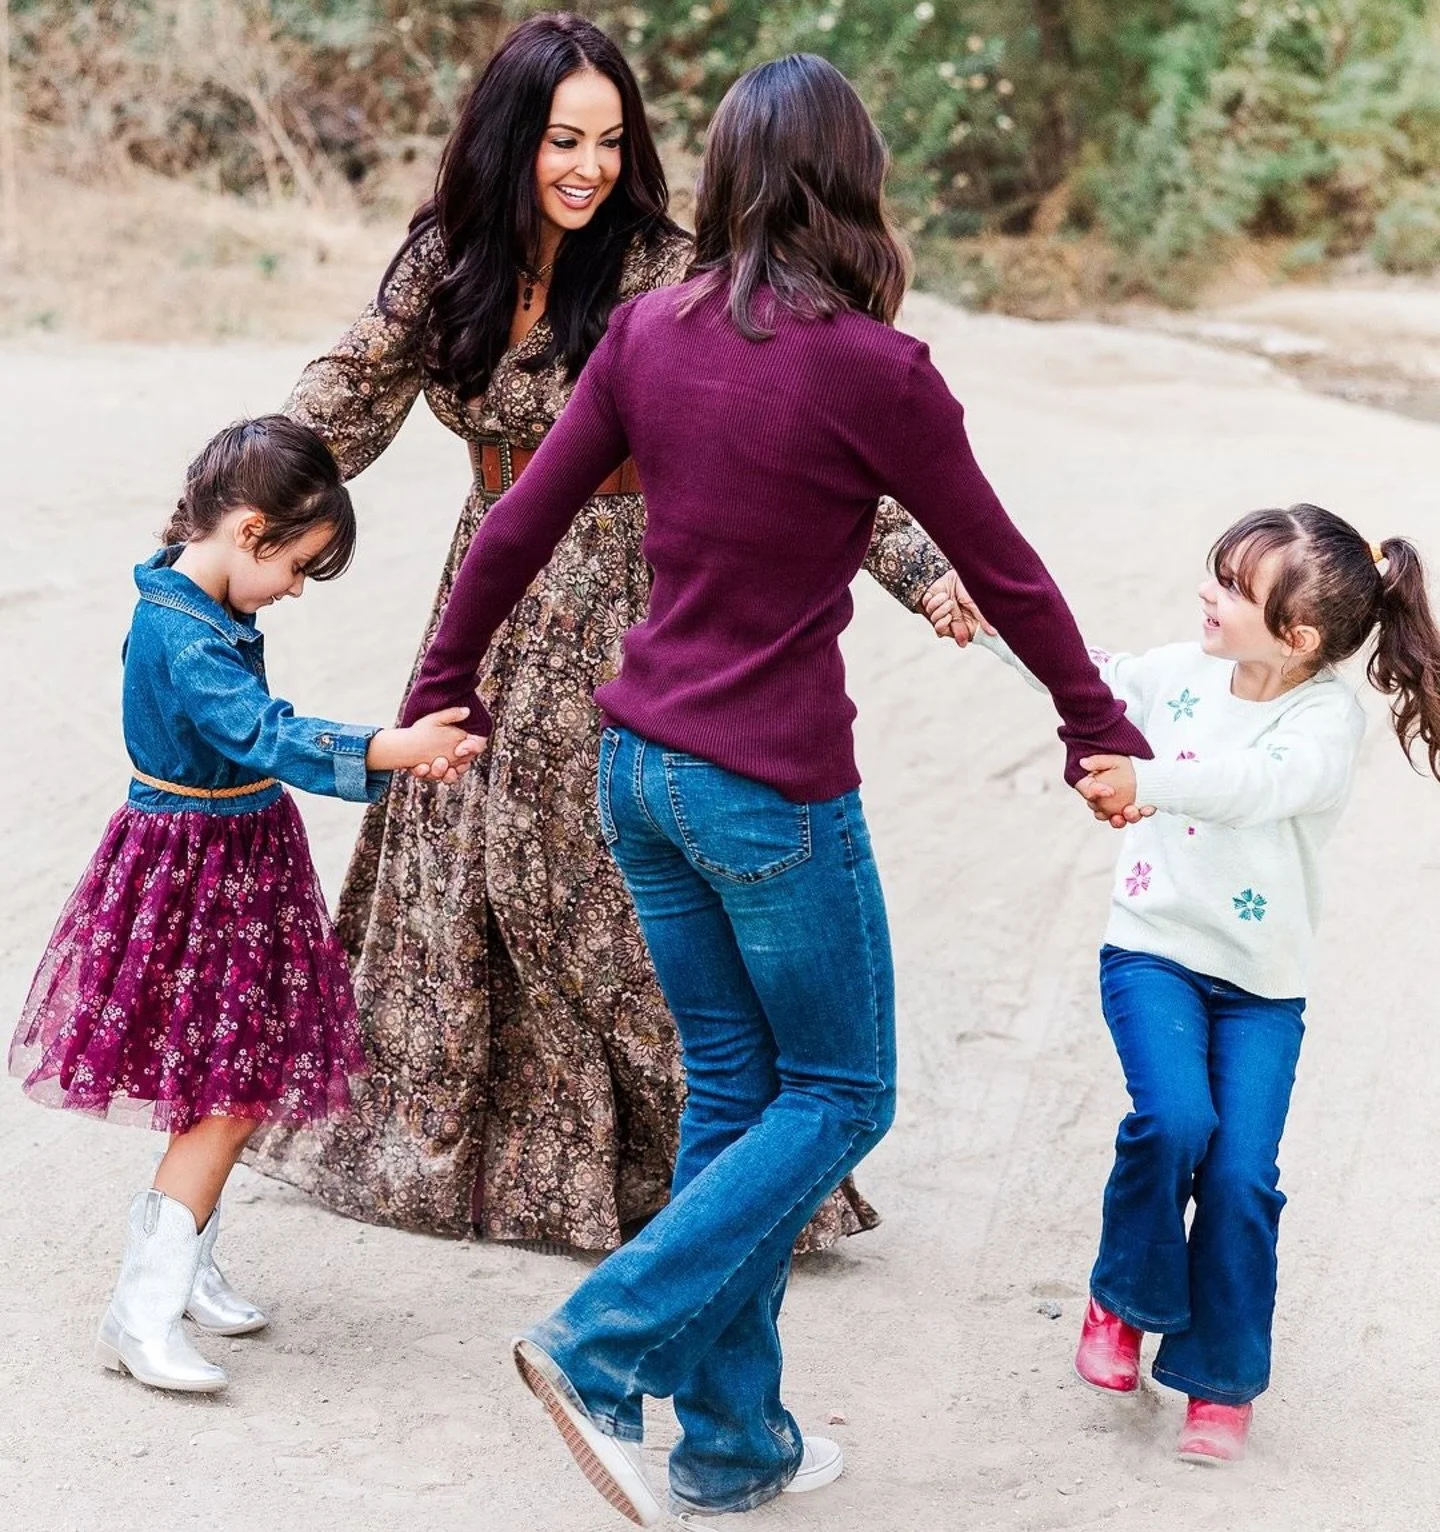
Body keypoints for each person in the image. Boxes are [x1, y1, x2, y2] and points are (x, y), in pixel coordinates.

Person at [399, 52, 1151, 1523]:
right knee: (844, 1094)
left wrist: (442, 680)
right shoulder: (879, 371)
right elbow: (1006, 571)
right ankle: (601, 1342)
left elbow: (510, 530)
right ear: (853, 184)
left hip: (640, 777)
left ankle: (736, 1443)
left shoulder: (645, 335)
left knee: (738, 1094)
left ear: (737, 180)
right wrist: (1095, 730)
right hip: (767, 792)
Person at [247, 11, 959, 1255]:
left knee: (601, 880)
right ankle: (492, 1156)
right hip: (496, 567)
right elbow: (344, 394)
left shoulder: (665, 271)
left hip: (638, 588)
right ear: (509, 141)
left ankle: (703, 1176)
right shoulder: (445, 263)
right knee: (468, 854)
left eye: (610, 141)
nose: (586, 166)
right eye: (561, 140)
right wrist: (239, 502)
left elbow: (802, 423)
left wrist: (919, 565)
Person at [948, 503, 1440, 1463]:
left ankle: (1218, 1377)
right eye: (1214, 572)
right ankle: (1121, 1302)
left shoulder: (1325, 722)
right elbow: (1087, 677)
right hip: (1154, 951)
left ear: (1297, 637)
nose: (1205, 595)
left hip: (1262, 988)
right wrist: (995, 625)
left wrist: (1148, 781)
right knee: (1175, 1122)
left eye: (1231, 588)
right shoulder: (1182, 671)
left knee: (1243, 1175)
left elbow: (1256, 786)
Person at [7, 416, 480, 1394]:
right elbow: (258, 729)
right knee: (229, 1088)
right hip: (197, 862)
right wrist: (386, 747)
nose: (298, 590)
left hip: (239, 849)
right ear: (253, 530)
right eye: (300, 566)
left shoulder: (198, 596)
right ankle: (138, 1309)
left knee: (225, 1063)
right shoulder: (182, 631)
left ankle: (186, 1269)